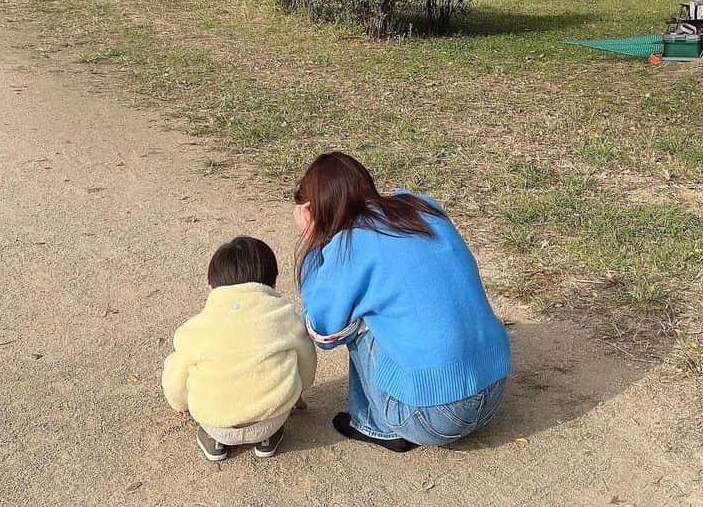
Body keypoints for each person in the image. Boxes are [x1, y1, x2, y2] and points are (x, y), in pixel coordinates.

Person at [294, 152, 511, 452]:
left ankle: (374, 423)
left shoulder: (352, 242)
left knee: (355, 316)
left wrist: (313, 241)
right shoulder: (422, 205)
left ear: (313, 208)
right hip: (495, 387)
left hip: (432, 417)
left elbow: (322, 328)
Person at [162, 236, 317, 462]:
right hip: (272, 418)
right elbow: (306, 359)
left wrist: (179, 403)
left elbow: (176, 376)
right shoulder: (284, 315)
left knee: (183, 366)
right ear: (272, 283)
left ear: (210, 286)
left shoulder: (195, 328)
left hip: (217, 422)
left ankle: (214, 441)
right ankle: (268, 438)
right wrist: (298, 391)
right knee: (287, 363)